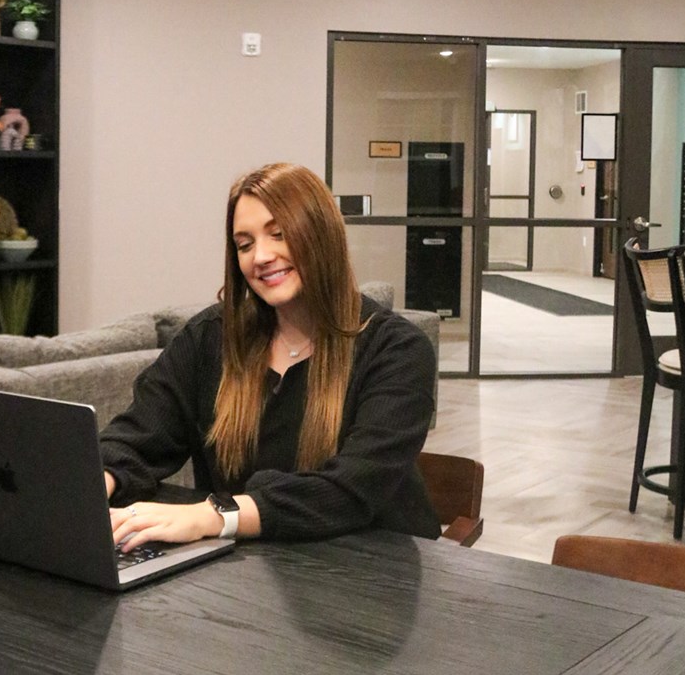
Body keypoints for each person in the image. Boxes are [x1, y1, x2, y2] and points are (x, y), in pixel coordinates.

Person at [101, 162, 440, 551]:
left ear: (321, 236)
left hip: (369, 577)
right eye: (244, 245)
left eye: (279, 235)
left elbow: (350, 490)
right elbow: (135, 437)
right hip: (251, 574)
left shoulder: (396, 349)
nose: (260, 256)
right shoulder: (208, 339)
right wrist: (99, 480)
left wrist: (212, 515)